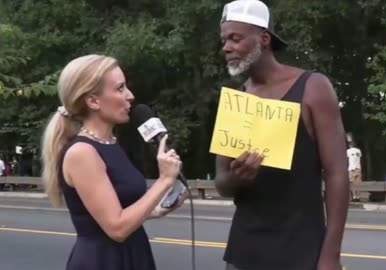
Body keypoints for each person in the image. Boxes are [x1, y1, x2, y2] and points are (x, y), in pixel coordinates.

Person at [215, 1, 350, 270]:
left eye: (235, 38)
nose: (226, 47)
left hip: (300, 251)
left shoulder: (313, 87)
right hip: (244, 252)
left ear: (264, 39)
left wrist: (331, 254)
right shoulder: (236, 101)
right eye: (224, 40)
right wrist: (236, 177)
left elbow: (337, 173)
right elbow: (221, 183)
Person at [40, 54, 186, 270]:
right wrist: (164, 180)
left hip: (135, 253)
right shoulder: (82, 153)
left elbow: (124, 208)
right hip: (103, 261)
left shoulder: (112, 144)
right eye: (120, 89)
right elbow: (117, 227)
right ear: (93, 101)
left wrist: (158, 209)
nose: (130, 96)